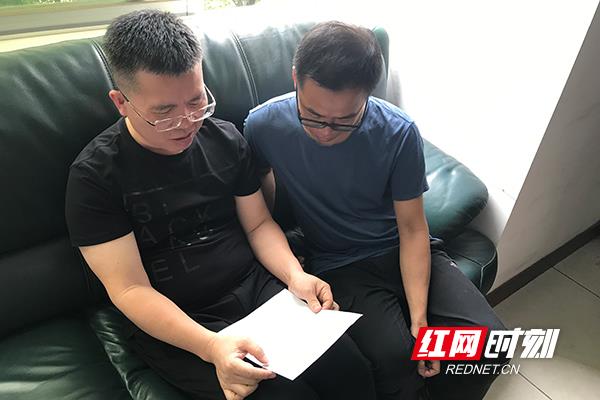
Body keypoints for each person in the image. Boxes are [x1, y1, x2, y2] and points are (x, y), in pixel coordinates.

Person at [65, 11, 376, 400]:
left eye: (196, 100)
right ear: (121, 103)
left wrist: (295, 275)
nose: (187, 122)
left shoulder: (225, 139)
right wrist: (211, 347)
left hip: (254, 288)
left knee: (352, 371)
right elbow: (129, 289)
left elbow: (258, 225)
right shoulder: (95, 177)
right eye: (164, 112)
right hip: (181, 320)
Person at [244, 21, 510, 400]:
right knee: (395, 359)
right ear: (295, 79)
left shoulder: (398, 132)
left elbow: (413, 229)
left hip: (402, 246)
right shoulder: (263, 125)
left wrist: (420, 320)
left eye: (344, 120)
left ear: (368, 96)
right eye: (312, 115)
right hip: (341, 264)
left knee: (490, 344)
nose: (325, 131)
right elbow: (260, 200)